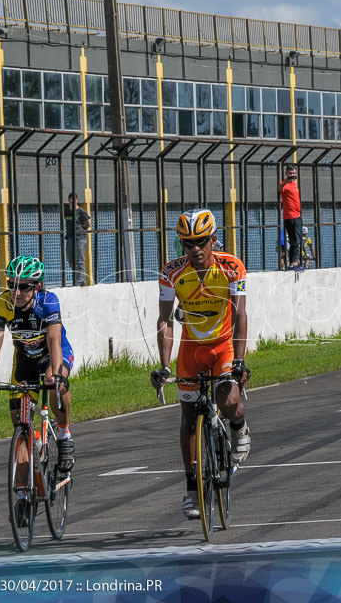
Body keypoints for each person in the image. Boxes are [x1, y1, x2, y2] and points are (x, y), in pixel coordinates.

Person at [151, 209, 251, 520]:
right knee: (188, 415)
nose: (195, 249)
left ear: (213, 240)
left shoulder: (232, 267)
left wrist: (240, 360)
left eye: (201, 242)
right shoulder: (171, 273)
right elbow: (165, 320)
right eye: (187, 243)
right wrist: (164, 365)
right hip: (191, 350)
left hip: (222, 346)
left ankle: (237, 425)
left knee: (229, 400)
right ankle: (193, 486)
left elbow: (239, 315)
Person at [0, 256, 75, 520]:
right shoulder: (3, 303)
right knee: (21, 425)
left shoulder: (48, 301)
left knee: (53, 384)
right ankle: (23, 496)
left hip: (53, 355)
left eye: (24, 286)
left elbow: (53, 339)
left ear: (37, 286)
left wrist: (58, 375)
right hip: (25, 363)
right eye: (12, 285)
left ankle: (63, 435)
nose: (16, 292)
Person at [278, 165, 304, 271]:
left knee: (297, 240)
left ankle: (295, 262)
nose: (292, 175)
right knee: (295, 240)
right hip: (291, 216)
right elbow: (279, 189)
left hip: (297, 215)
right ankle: (293, 263)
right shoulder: (285, 184)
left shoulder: (294, 184)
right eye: (290, 173)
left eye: (294, 173)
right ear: (286, 173)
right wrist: (286, 181)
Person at [63, 192, 91, 286]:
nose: (72, 200)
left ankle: (79, 282)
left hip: (80, 237)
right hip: (70, 237)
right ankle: (80, 280)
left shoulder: (81, 211)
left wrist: (81, 230)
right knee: (70, 259)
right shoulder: (66, 211)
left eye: (73, 199)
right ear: (68, 200)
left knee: (79, 260)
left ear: (77, 200)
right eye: (70, 198)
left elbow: (87, 224)